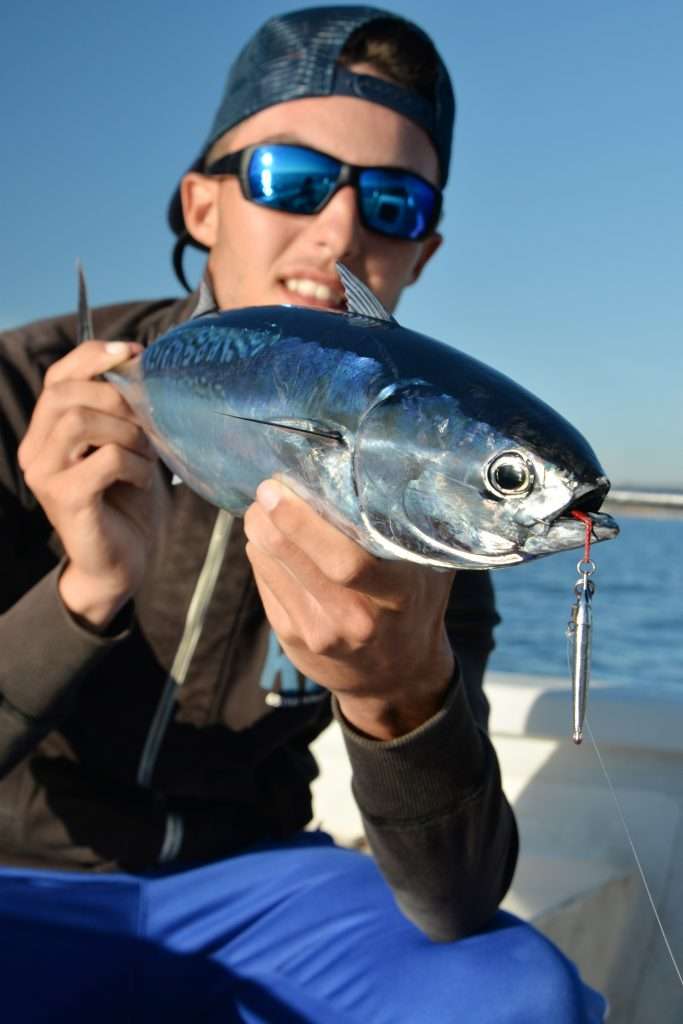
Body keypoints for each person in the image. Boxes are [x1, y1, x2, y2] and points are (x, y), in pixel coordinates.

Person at [0, 6, 606, 1022]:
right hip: (21, 880)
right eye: (289, 178)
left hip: (264, 887)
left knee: (513, 995)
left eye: (394, 202)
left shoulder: (428, 494)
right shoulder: (21, 387)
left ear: (424, 250)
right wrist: (82, 595)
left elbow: (454, 899)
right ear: (200, 205)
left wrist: (399, 693)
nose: (338, 232)